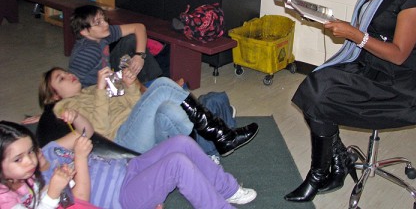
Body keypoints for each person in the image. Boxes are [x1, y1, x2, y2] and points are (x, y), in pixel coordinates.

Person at [284, 0, 416, 202]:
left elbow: (399, 53)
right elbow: (368, 29)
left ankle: (321, 173)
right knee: (316, 86)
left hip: (396, 81)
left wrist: (354, 35)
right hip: (371, 64)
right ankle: (337, 162)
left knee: (318, 91)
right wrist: (329, 21)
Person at [0, 120, 257, 209]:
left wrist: (75, 117)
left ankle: (227, 188)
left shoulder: (50, 149)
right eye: (20, 158)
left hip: (127, 169)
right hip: (120, 198)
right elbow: (83, 201)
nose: (33, 159)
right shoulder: (37, 188)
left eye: (31, 150)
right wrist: (79, 158)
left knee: (181, 142)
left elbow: (87, 131)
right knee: (177, 164)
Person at [38, 65, 259, 158]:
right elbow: (100, 130)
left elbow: (136, 106)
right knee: (162, 84)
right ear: (55, 94)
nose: (69, 75)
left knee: (169, 108)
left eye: (66, 72)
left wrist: (130, 84)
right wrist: (99, 90)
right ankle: (220, 135)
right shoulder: (63, 107)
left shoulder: (94, 88)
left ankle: (200, 154)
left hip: (142, 129)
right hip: (122, 141)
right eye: (61, 79)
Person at [0, 121, 96, 209]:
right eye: (18, 159)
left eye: (31, 151)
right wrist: (53, 192)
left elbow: (37, 199)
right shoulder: (3, 199)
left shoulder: (24, 175)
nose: (30, 161)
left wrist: (62, 180)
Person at [69, 4, 162, 87]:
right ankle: (150, 88)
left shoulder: (100, 35)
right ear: (84, 31)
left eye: (104, 19)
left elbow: (139, 27)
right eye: (98, 22)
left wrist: (140, 56)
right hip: (100, 88)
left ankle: (152, 83)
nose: (105, 24)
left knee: (131, 40)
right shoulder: (86, 53)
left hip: (109, 70)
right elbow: (74, 85)